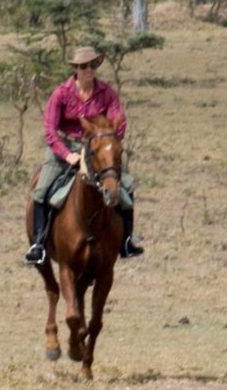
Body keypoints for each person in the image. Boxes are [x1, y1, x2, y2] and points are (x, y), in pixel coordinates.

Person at [25, 45, 143, 265]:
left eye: (92, 65)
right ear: (76, 69)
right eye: (83, 66)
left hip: (99, 148)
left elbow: (120, 121)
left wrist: (108, 142)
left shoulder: (107, 93)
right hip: (65, 148)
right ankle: (38, 245)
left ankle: (127, 241)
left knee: (125, 185)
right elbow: (50, 130)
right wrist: (67, 155)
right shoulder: (61, 93)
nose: (89, 70)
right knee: (41, 190)